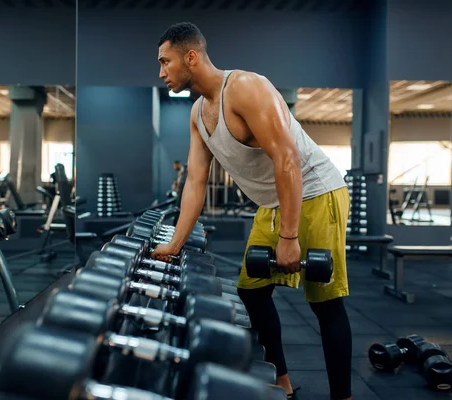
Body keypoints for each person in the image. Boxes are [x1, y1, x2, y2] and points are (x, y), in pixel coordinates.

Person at [151, 22, 353, 400]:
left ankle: (343, 397)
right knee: (252, 292)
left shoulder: (246, 87)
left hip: (317, 191)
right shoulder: (198, 114)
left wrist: (290, 237)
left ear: (190, 57)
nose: (162, 72)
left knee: (325, 303)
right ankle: (282, 384)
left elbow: (288, 159)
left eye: (166, 62)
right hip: (272, 203)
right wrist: (174, 244)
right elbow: (195, 184)